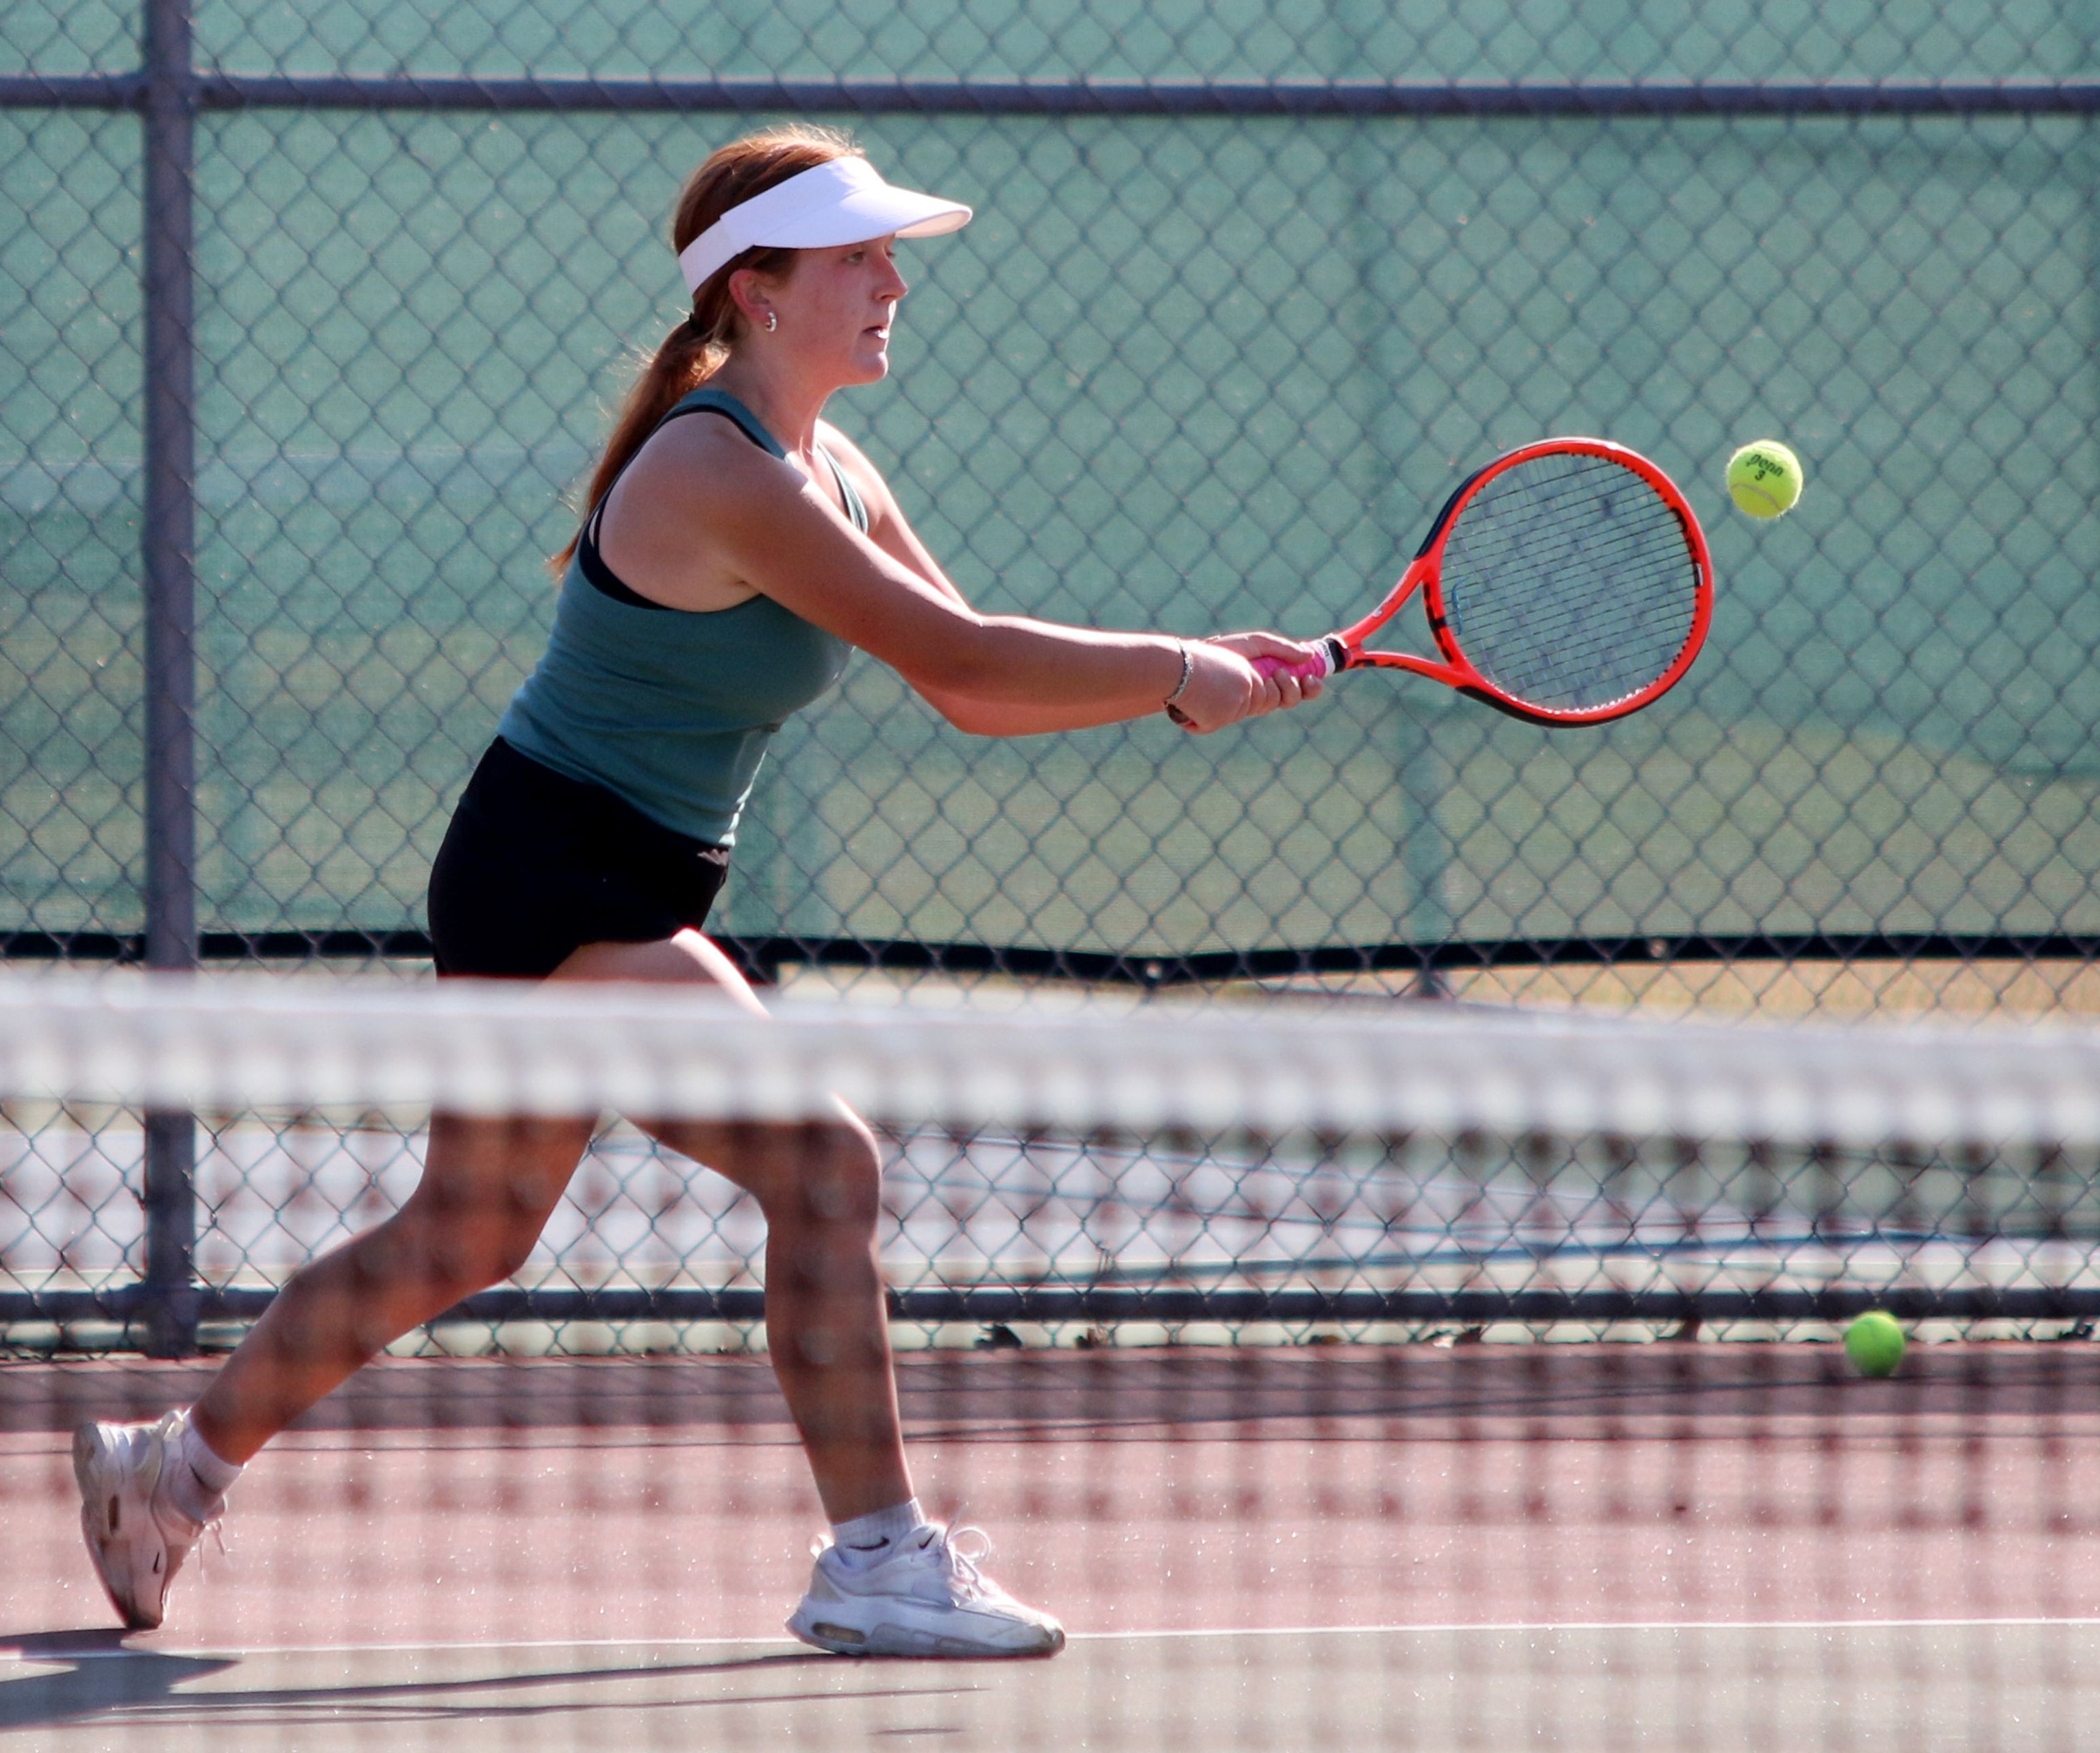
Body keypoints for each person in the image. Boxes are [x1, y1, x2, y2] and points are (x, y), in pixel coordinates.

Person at [73, 122, 1323, 1660]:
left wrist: (1192, 672)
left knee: (463, 1235)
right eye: (857, 256)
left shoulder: (830, 466)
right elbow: (966, 660)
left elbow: (972, 681)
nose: (890, 282)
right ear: (756, 288)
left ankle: (165, 1472)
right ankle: (876, 1555)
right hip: (562, 876)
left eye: (890, 256)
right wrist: (1180, 669)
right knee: (823, 1166)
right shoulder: (712, 464)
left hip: (577, 864)